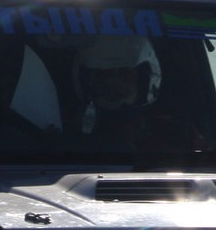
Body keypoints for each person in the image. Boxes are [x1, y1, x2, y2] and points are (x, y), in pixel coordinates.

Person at [72, 36, 203, 155]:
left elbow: (204, 163)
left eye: (125, 73)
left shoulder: (175, 128)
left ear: (144, 78)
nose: (115, 82)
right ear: (86, 80)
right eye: (103, 74)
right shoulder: (69, 127)